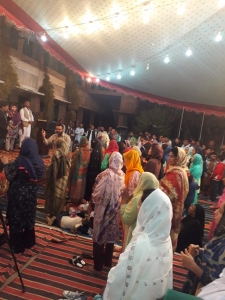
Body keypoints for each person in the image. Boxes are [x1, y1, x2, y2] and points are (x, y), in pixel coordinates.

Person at [101, 187, 173, 300]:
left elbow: (118, 280)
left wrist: (111, 274)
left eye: (140, 206)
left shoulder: (142, 244)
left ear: (150, 210)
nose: (138, 209)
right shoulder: (165, 239)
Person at [1, 138, 45, 253]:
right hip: (32, 195)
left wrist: (5, 164)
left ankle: (18, 246)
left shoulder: (21, 161)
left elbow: (10, 176)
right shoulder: (38, 161)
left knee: (16, 218)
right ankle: (28, 242)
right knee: (28, 216)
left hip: (18, 195)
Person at [89, 152, 125, 274]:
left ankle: (97, 266)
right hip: (114, 212)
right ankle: (107, 263)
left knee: (99, 236)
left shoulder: (103, 175)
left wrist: (92, 204)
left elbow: (96, 193)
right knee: (110, 237)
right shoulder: (122, 176)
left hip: (102, 212)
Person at [181, 201, 225, 295]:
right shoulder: (220, 236)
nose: (215, 212)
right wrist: (200, 252)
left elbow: (217, 283)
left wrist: (192, 266)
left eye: (220, 211)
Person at [160, 147, 189, 252]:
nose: (169, 158)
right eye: (169, 155)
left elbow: (167, 192)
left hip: (168, 209)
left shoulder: (175, 174)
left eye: (172, 156)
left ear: (178, 158)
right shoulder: (182, 172)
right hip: (172, 208)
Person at [120, 172, 159, 250]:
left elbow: (126, 219)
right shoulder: (156, 198)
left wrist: (124, 201)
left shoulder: (138, 198)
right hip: (149, 237)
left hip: (135, 235)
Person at [45, 139, 71, 225]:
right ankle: (56, 214)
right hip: (64, 178)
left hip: (56, 178)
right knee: (60, 195)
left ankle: (51, 215)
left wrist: (49, 176)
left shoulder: (56, 154)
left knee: (53, 194)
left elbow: (53, 169)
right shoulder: (68, 154)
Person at [69, 137, 90, 205]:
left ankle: (73, 198)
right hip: (84, 172)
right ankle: (80, 198)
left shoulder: (78, 151)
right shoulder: (88, 151)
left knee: (76, 185)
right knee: (81, 185)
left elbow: (73, 161)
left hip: (77, 171)